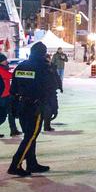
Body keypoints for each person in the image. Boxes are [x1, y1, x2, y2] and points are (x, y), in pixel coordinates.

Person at [7, 42, 59, 176]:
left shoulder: (21, 66)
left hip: (21, 105)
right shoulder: (44, 67)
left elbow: (13, 89)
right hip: (35, 106)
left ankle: (31, 163)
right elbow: (50, 89)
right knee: (31, 136)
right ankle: (15, 164)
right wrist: (53, 107)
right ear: (43, 53)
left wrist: (13, 106)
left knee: (29, 135)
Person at [0, 54, 11, 138]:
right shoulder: (1, 70)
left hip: (6, 94)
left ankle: (14, 129)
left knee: (4, 115)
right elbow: (9, 76)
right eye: (5, 60)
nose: (6, 61)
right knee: (2, 116)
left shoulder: (4, 69)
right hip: (2, 96)